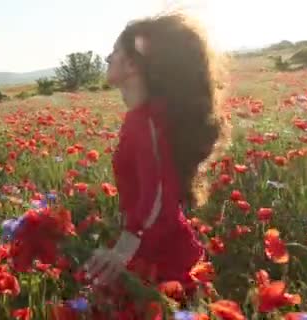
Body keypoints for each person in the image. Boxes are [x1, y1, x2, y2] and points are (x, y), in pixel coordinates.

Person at [84, 12, 229, 318]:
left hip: (157, 254)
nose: (108, 57)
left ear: (134, 64)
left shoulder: (147, 121)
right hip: (149, 244)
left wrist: (124, 248)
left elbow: (160, 192)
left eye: (115, 51)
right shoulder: (145, 117)